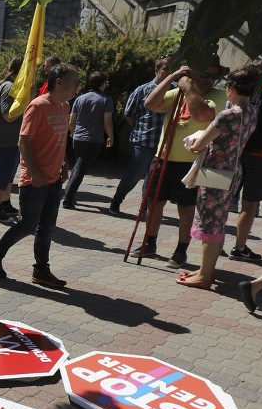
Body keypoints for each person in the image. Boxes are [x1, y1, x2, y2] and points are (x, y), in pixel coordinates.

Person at [0, 63, 81, 290]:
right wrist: (35, 173)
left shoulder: (65, 106)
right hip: (35, 181)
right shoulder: (37, 106)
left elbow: (61, 138)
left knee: (47, 228)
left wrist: (65, 163)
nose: (77, 85)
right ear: (59, 82)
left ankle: (41, 271)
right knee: (28, 225)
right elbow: (23, 141)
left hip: (54, 179)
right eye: (74, 80)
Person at [177, 65, 260, 290]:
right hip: (234, 169)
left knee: (209, 222)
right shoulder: (251, 111)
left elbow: (200, 143)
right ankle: (207, 270)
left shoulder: (228, 115)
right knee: (219, 220)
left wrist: (195, 143)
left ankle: (204, 275)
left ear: (231, 87)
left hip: (215, 171)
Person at [132, 62, 219, 264]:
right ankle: (149, 243)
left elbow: (202, 115)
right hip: (162, 158)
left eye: (214, 76)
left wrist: (188, 87)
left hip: (190, 163)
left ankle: (181, 250)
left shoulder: (217, 96)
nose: (209, 80)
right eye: (206, 74)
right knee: (153, 204)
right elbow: (150, 103)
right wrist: (172, 78)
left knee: (186, 209)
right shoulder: (177, 94)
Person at [108, 56, 170, 213]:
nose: (170, 72)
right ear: (156, 70)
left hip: (164, 143)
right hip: (143, 141)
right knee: (135, 174)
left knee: (153, 177)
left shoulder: (176, 90)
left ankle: (144, 207)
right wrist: (140, 129)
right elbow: (129, 114)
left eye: (172, 69)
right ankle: (116, 200)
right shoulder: (142, 90)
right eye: (166, 69)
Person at [232, 75, 262, 261]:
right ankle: (239, 248)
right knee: (249, 205)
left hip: (240, 150)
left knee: (225, 199)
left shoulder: (258, 87)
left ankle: (214, 242)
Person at [61, 71, 114, 208]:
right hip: (93, 140)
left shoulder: (80, 98)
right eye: (106, 82)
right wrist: (111, 137)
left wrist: (73, 133)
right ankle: (68, 198)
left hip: (78, 138)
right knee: (80, 169)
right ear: (102, 83)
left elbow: (71, 120)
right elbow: (107, 122)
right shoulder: (106, 99)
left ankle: (68, 194)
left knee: (78, 166)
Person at [0, 55, 23, 226]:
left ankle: (5, 204)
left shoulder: (11, 86)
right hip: (5, 140)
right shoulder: (9, 87)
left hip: (11, 140)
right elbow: (8, 114)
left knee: (8, 176)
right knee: (0, 177)